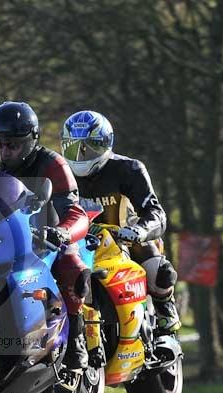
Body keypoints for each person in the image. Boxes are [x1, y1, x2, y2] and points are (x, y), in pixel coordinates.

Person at [0, 101, 91, 375]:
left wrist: (62, 232)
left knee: (73, 266)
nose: (4, 151)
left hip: (44, 238)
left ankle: (77, 334)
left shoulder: (53, 164)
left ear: (31, 142)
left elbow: (75, 211)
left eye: (12, 144)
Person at [60, 110, 181, 336]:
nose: (81, 154)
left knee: (159, 272)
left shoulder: (129, 169)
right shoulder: (60, 172)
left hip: (124, 238)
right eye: (74, 146)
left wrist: (139, 230)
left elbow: (156, 212)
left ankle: (165, 310)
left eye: (89, 146)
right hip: (77, 242)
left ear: (106, 143)